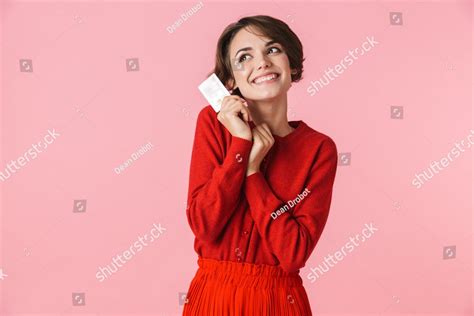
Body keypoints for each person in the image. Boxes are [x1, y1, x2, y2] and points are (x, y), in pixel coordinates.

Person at [183, 15, 338, 315]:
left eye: (273, 50)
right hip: (213, 297)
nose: (262, 62)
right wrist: (240, 145)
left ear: (291, 65)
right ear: (230, 81)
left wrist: (253, 174)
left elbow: (293, 254)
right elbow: (204, 225)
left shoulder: (318, 149)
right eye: (245, 57)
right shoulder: (213, 124)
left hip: (278, 302)